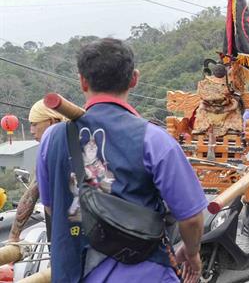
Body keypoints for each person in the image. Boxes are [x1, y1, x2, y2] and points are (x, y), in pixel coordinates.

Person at [36, 38, 206, 283]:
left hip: (73, 272)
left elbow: (52, 208)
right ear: (134, 79)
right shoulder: (153, 139)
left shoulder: (52, 138)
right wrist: (192, 253)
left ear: (83, 81)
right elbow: (190, 217)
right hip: (145, 273)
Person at [8, 100, 67, 244]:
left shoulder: (49, 152)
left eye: (35, 124)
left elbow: (31, 195)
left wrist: (14, 237)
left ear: (52, 122)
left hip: (65, 239)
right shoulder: (84, 141)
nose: (32, 130)